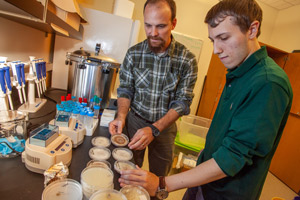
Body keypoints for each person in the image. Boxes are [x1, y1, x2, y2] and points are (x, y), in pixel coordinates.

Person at [118, 0, 293, 199]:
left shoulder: (268, 83)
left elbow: (234, 155)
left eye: (224, 38)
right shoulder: (239, 73)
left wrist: (161, 183)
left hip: (226, 192)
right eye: (213, 40)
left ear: (252, 29)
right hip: (206, 179)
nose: (216, 49)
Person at [109, 0, 198, 178]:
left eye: (161, 26)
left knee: (159, 178)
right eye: (148, 25)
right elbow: (126, 89)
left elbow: (183, 102)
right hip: (135, 121)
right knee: (128, 170)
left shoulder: (187, 60)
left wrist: (155, 129)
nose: (153, 33)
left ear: (173, 23)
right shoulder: (134, 54)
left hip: (165, 127)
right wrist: (121, 116)